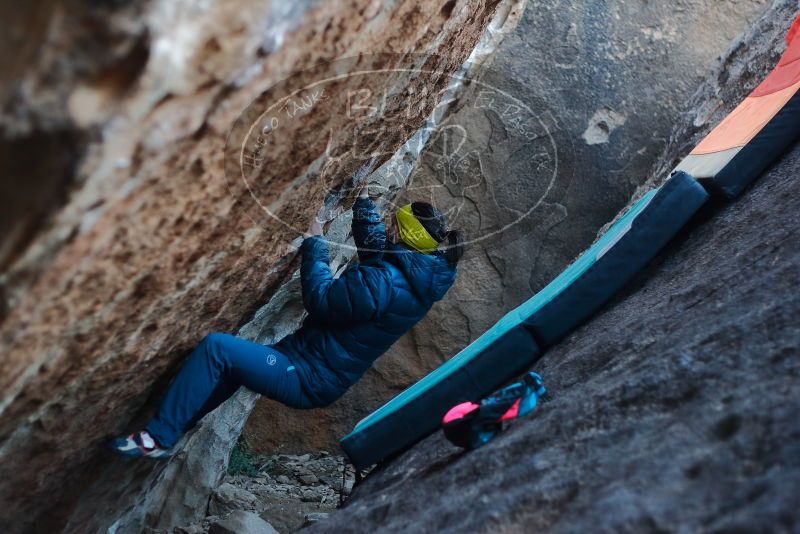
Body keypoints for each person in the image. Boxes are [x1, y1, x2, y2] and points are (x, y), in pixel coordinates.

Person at [109, 181, 465, 458]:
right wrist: (361, 200)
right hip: (308, 364)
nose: (387, 229)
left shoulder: (386, 281)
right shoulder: (417, 273)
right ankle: (179, 422)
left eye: (393, 226)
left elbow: (323, 301)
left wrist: (315, 241)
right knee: (232, 366)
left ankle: (156, 438)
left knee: (218, 349)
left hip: (306, 376)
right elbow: (377, 246)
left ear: (405, 237)